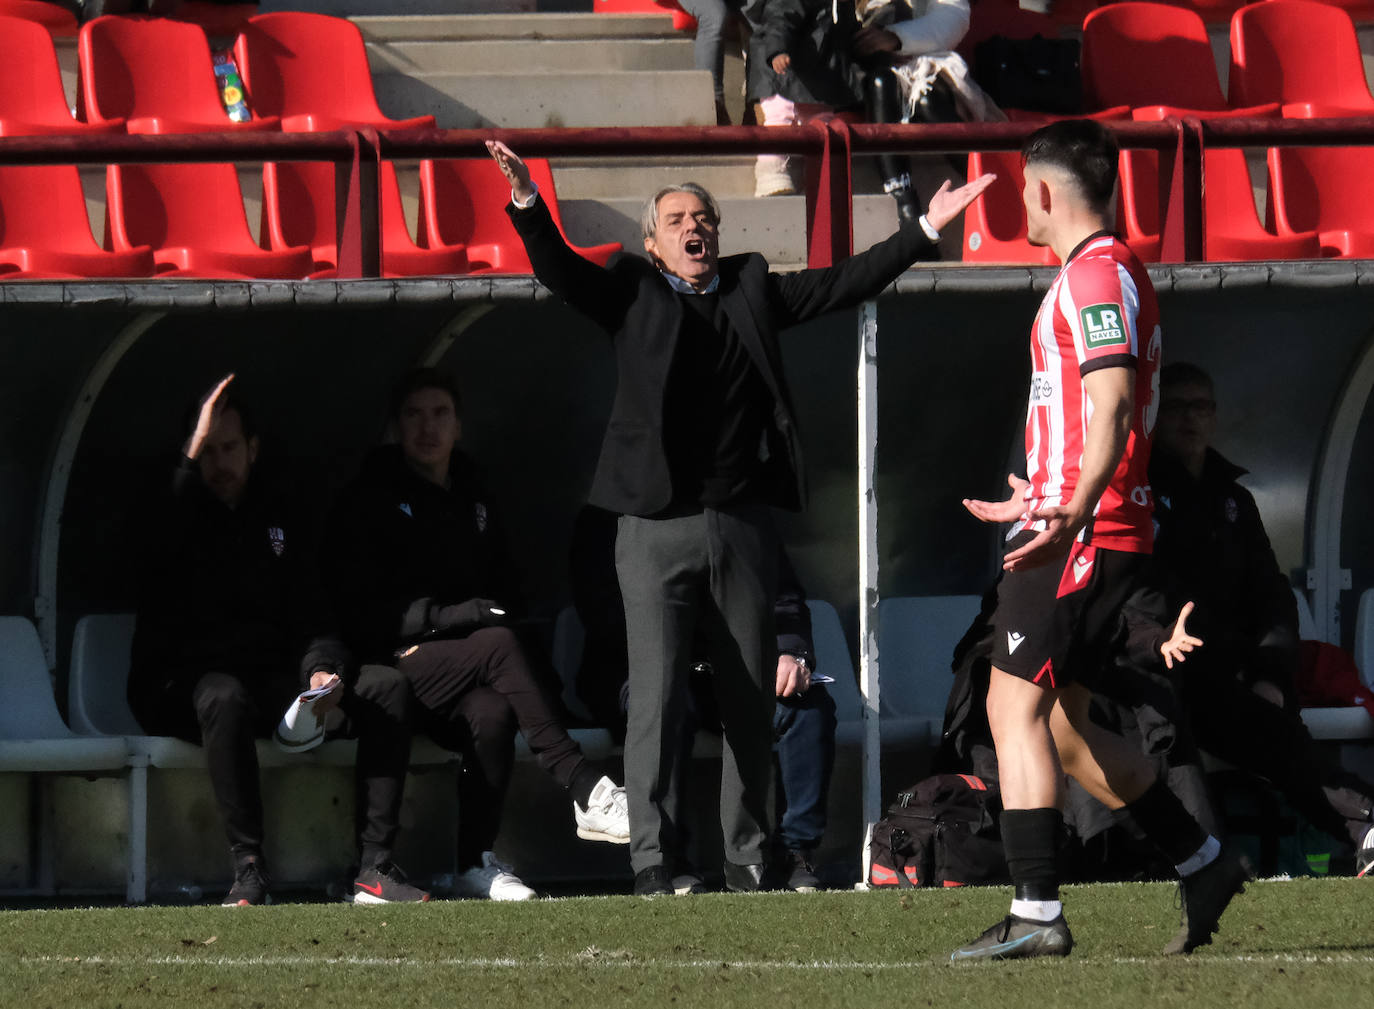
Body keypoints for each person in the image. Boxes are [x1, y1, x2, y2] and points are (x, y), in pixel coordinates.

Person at [486, 136, 991, 896]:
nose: (695, 229)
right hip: (655, 525)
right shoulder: (631, 290)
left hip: (742, 523)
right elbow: (559, 271)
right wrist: (528, 202)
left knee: (751, 696)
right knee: (655, 697)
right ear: (654, 243)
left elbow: (841, 283)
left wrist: (920, 231)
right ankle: (655, 860)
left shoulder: (750, 288)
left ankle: (749, 857)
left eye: (704, 218)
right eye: (677, 220)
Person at [953, 119, 1250, 961]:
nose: (1023, 204)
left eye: (1024, 189)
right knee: (1065, 727)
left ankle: (1037, 912)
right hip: (1086, 522)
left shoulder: (1093, 273)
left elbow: (1114, 401)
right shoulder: (1105, 271)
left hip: (1084, 535)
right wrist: (1044, 490)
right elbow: (1092, 412)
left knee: (1011, 707)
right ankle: (1203, 860)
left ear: (1045, 190)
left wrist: (1071, 513)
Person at [323, 368, 631, 902]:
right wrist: (447, 615)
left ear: (459, 425)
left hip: (463, 670)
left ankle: (475, 863)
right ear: (395, 427)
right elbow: (358, 611)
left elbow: (506, 597)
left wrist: (546, 692)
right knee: (496, 644)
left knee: (492, 708)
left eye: (440, 413)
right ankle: (583, 786)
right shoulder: (368, 498)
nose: (428, 427)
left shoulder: (475, 495)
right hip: (390, 663)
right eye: (414, 415)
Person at [129, 375, 424, 906]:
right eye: (207, 451)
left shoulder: (283, 517)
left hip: (272, 684)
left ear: (253, 449)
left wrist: (321, 672)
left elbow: (314, 614)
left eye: (229, 448)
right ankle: (248, 868)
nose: (219, 462)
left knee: (387, 687)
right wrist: (188, 456)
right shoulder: (175, 514)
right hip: (185, 685)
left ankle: (374, 867)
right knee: (222, 694)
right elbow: (158, 533)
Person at [1151, 362, 1374, 870]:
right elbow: (1150, 597)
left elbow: (1273, 597)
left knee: (1276, 728)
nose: (1190, 418)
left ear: (1214, 416)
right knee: (1265, 733)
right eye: (1177, 407)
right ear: (1155, 418)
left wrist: (1270, 672)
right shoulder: (1141, 496)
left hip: (1248, 670)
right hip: (1177, 670)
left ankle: (1354, 833)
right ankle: (1363, 825)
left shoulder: (1235, 500)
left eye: (1200, 407)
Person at [570, 507, 836, 891]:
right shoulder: (617, 510)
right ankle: (669, 859)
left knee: (808, 709)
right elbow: (604, 612)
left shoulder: (738, 509)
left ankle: (794, 851)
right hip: (643, 667)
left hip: (734, 666)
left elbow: (782, 595)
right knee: (665, 710)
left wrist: (790, 652)